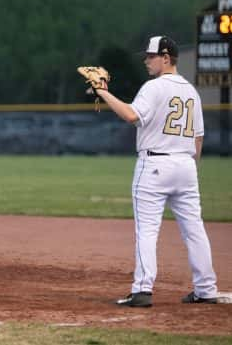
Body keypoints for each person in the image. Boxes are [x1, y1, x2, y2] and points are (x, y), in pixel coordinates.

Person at [93, 36, 218, 307]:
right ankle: (206, 289)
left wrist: (103, 92)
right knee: (195, 230)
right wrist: (188, 168)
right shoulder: (191, 91)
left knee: (147, 231)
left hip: (155, 165)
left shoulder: (154, 87)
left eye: (150, 56)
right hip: (186, 166)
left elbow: (130, 115)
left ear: (165, 57)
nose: (146, 61)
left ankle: (142, 290)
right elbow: (198, 137)